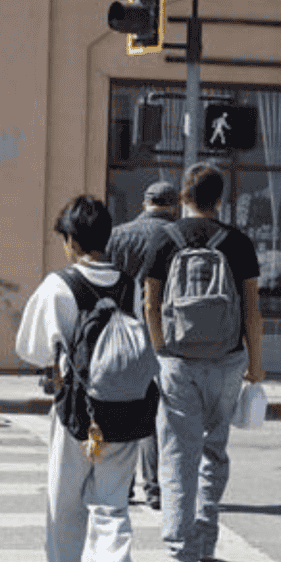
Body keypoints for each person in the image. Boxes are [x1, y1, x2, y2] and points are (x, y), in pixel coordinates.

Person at [16, 195, 155, 562]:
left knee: (67, 504)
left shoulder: (60, 285)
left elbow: (31, 348)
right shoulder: (128, 284)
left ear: (71, 240)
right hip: (127, 411)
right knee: (112, 502)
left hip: (78, 412)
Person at [143, 163, 265, 562]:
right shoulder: (239, 243)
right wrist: (257, 366)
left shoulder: (165, 240)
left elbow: (150, 303)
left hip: (177, 360)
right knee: (214, 450)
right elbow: (251, 310)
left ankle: (181, 552)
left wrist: (160, 351)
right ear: (221, 198)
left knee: (178, 455)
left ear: (183, 196)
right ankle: (206, 539)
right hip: (228, 360)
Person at [105, 179, 180, 510]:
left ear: (144, 203)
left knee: (125, 410)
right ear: (174, 205)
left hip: (123, 333)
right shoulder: (179, 237)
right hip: (164, 334)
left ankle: (123, 488)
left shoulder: (118, 235)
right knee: (156, 413)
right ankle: (155, 489)